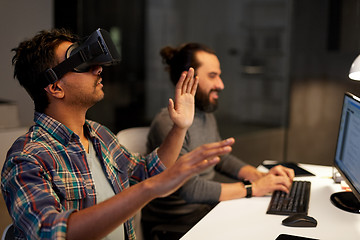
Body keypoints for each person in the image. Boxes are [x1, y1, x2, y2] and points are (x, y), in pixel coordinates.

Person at [0, 30, 235, 240]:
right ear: (55, 87)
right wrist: (149, 188)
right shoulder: (27, 158)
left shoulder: (100, 135)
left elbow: (148, 171)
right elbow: (51, 233)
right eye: (82, 64)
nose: (98, 68)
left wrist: (180, 127)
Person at [142, 43, 295, 239]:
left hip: (203, 211)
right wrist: (254, 188)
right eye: (212, 76)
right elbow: (191, 189)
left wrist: (258, 175)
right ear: (188, 79)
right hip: (175, 225)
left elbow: (221, 158)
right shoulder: (168, 124)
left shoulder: (205, 115)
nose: (221, 85)